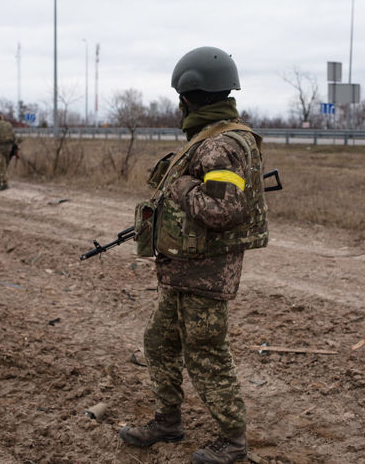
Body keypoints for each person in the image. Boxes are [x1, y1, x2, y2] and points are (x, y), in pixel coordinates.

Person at [120, 46, 269, 464]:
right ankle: (168, 421)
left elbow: (222, 211)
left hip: (205, 272)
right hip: (184, 268)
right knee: (161, 342)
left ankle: (233, 442)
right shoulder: (210, 140)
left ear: (191, 97)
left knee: (205, 352)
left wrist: (181, 188)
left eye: (181, 99)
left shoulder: (219, 146)